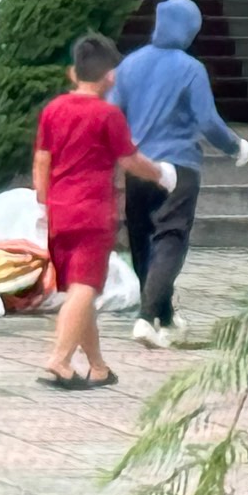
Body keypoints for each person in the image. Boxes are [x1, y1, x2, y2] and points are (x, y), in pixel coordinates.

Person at [34, 34, 176, 389]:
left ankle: (98, 367)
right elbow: (130, 161)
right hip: (92, 212)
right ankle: (59, 361)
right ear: (110, 75)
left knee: (78, 292)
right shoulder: (107, 115)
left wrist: (43, 202)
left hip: (59, 212)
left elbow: (42, 160)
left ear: (75, 72)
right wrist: (161, 174)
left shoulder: (53, 110)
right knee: (86, 288)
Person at [108, 0, 248, 348]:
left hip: (138, 166)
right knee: (170, 238)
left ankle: (164, 315)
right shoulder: (190, 69)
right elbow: (208, 121)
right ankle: (145, 317)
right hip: (179, 166)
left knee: (142, 238)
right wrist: (235, 146)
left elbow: (111, 114)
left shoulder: (129, 65)